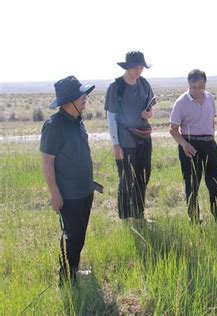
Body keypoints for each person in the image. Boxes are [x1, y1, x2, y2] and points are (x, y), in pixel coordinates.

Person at [40, 76, 96, 284]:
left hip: (85, 190)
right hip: (68, 195)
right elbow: (47, 162)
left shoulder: (78, 120)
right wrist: (55, 193)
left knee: (79, 235)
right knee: (71, 236)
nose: (84, 98)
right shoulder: (54, 125)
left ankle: (73, 270)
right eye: (79, 95)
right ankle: (65, 279)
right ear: (67, 101)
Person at [169, 69, 217, 227]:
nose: (197, 90)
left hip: (209, 144)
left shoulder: (210, 98)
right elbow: (173, 129)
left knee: (215, 183)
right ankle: (194, 220)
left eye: (200, 87)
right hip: (190, 145)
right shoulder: (181, 102)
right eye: (194, 87)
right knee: (192, 185)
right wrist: (184, 144)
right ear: (188, 84)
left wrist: (211, 140)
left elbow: (212, 120)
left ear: (205, 84)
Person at [105, 51, 155, 220]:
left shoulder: (144, 84)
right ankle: (125, 217)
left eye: (141, 66)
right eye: (136, 66)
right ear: (127, 66)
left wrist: (149, 114)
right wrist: (115, 144)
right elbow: (111, 116)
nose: (139, 70)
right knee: (126, 179)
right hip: (125, 140)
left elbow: (150, 107)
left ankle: (138, 214)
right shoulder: (116, 86)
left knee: (143, 176)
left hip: (144, 137)